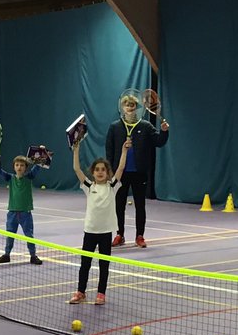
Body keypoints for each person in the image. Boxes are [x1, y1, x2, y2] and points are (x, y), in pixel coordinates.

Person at [68, 136, 130, 305]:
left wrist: (124, 151)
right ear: (93, 172)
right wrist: (76, 150)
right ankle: (81, 292)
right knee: (85, 264)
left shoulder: (112, 187)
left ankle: (101, 293)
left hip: (105, 232)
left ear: (107, 172)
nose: (100, 172)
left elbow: (121, 168)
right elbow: (76, 169)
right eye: (97, 170)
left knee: (104, 265)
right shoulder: (89, 186)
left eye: (103, 169)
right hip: (90, 231)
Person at [104, 90, 169, 248]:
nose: (130, 108)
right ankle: (120, 234)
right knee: (119, 206)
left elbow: (159, 141)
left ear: (137, 107)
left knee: (140, 205)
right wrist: (110, 172)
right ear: (122, 107)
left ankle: (140, 236)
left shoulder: (146, 126)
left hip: (140, 173)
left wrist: (165, 131)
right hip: (120, 174)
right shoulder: (115, 127)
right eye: (127, 105)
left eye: (133, 105)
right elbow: (109, 150)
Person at [0, 153, 44, 265]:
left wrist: (41, 152)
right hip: (12, 213)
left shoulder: (29, 177)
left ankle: (33, 256)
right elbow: (0, 172)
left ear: (26, 167)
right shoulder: (10, 178)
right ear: (14, 167)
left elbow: (37, 166)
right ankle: (7, 255)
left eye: (22, 165)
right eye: (17, 165)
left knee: (29, 236)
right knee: (10, 235)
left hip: (26, 214)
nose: (19, 167)